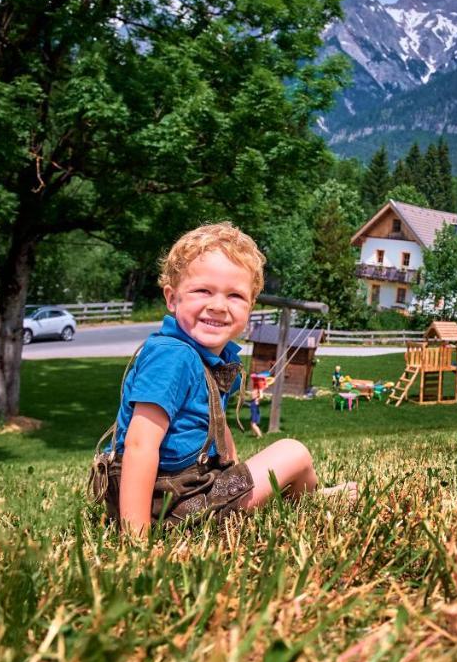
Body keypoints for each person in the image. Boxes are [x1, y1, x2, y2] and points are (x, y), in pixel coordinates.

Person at [103, 222, 353, 535]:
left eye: (235, 295)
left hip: (189, 491)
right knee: (293, 452)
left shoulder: (209, 356)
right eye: (202, 291)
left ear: (250, 306)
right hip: (170, 505)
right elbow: (140, 445)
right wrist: (136, 537)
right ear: (172, 298)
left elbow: (217, 424)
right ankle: (311, 501)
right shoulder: (172, 356)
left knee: (285, 457)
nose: (218, 306)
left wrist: (234, 474)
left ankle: (307, 499)